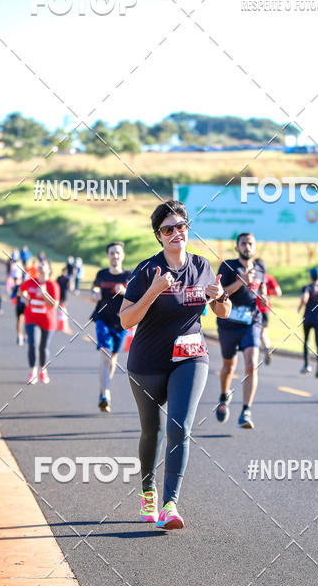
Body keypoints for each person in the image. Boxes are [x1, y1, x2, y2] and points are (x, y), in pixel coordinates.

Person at [119, 200, 230, 530]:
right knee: (151, 431)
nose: (176, 233)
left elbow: (223, 313)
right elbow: (126, 320)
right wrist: (153, 291)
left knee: (179, 427)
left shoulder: (202, 266)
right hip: (148, 362)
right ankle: (148, 492)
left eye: (180, 226)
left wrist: (220, 297)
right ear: (159, 235)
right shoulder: (147, 271)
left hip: (191, 357)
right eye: (168, 229)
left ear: (187, 228)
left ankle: (170, 504)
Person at [215, 233, 268, 429]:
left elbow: (262, 289)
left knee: (251, 365)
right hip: (229, 323)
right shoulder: (228, 266)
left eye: (250, 243)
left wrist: (264, 298)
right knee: (228, 367)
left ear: (255, 247)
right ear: (237, 247)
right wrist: (240, 282)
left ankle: (246, 411)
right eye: (244, 244)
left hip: (252, 322)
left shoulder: (260, 267)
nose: (247, 247)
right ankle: (224, 396)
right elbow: (220, 294)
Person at [89, 242, 133, 412]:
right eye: (112, 253)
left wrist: (124, 292)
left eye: (118, 253)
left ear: (123, 255)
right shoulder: (102, 274)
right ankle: (105, 394)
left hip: (121, 322)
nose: (115, 256)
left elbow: (137, 297)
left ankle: (104, 389)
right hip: (103, 320)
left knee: (113, 358)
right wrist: (95, 293)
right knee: (106, 355)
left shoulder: (129, 276)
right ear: (108, 256)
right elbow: (94, 288)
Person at [19, 263, 60, 384]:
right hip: (31, 318)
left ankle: (43, 370)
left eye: (44, 264)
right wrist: (25, 299)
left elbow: (54, 305)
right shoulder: (31, 282)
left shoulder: (53, 285)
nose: (41, 266)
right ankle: (32, 372)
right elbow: (20, 290)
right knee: (32, 344)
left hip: (48, 320)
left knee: (43, 347)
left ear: (49, 270)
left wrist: (44, 294)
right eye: (40, 264)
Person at [257, 269, 282, 365]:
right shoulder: (269, 278)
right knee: (263, 334)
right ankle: (266, 348)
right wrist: (267, 292)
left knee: (252, 333)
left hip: (254, 309)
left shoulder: (253, 277)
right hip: (265, 309)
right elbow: (278, 292)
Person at [55, 265, 72, 334]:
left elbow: (69, 287)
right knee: (60, 308)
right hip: (60, 293)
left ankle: (62, 323)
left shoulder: (66, 278)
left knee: (62, 307)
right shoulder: (61, 278)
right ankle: (59, 323)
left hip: (63, 294)